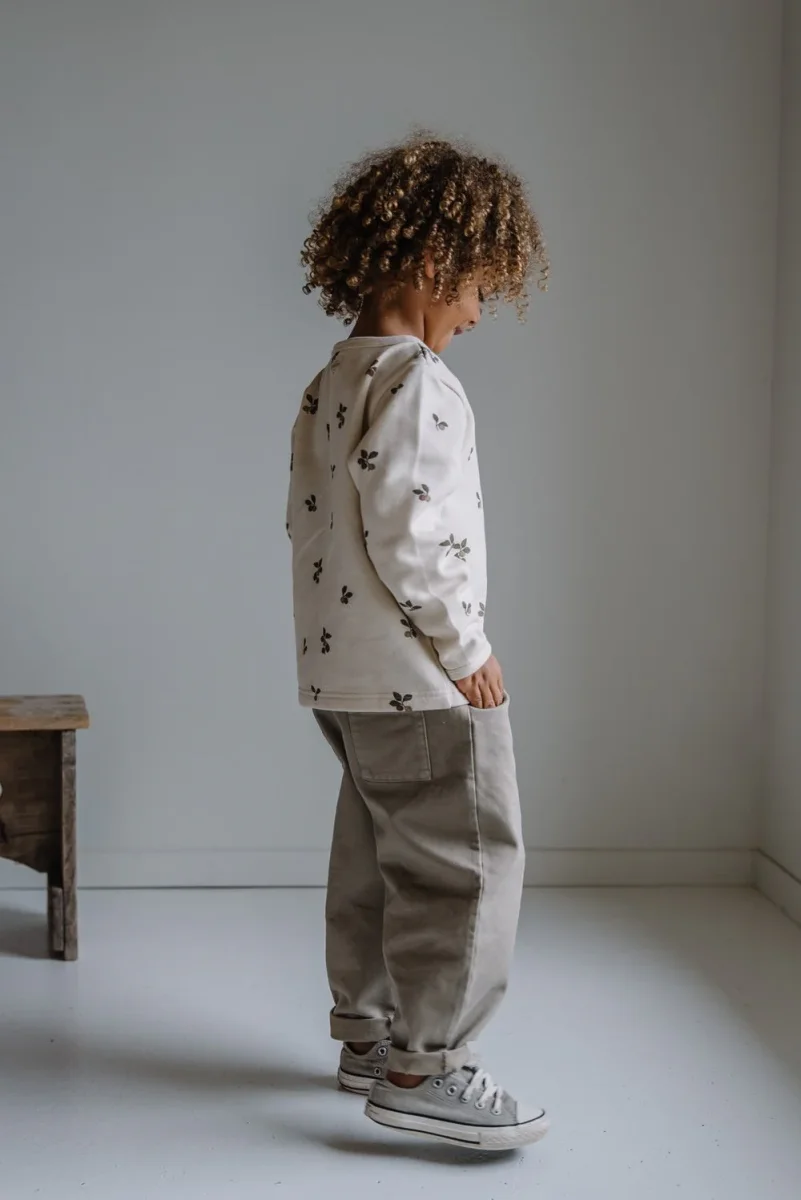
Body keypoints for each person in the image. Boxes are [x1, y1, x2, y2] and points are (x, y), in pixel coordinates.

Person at [287, 134, 550, 1151]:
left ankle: (368, 1032)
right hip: (419, 675)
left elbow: (314, 526)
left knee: (375, 851)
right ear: (434, 263)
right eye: (478, 288)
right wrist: (466, 647)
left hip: (344, 675)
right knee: (464, 859)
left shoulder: (332, 379)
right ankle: (426, 1066)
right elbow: (410, 533)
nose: (477, 314)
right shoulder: (419, 382)